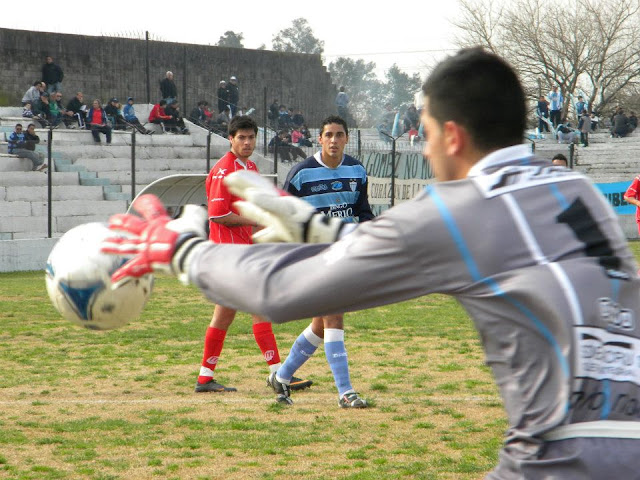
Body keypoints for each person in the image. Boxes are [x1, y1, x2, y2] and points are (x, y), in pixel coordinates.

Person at [103, 47, 640, 479]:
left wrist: (180, 248)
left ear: (453, 136)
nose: (426, 150)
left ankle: (289, 375)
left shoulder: (460, 209)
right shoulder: (579, 190)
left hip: (561, 462)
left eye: (426, 134)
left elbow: (279, 292)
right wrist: (318, 231)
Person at [193, 115, 311, 393]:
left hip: (242, 254)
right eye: (241, 138)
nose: (247, 142)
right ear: (230, 139)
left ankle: (205, 377)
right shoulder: (224, 171)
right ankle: (278, 374)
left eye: (251, 137)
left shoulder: (250, 168)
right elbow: (218, 215)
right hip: (229, 255)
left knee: (224, 316)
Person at [265, 115, 374, 408]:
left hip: (343, 254)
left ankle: (281, 377)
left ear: (346, 138)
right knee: (334, 316)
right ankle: (345, 392)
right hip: (312, 257)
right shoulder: (301, 174)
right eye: (329, 135)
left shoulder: (357, 170)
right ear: (320, 138)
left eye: (339, 135)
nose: (334, 140)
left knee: (320, 325)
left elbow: (362, 210)